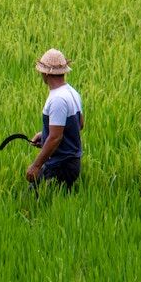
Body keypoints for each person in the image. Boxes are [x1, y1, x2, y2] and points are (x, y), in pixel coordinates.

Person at [25, 49, 84, 190]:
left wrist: (36, 166)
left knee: (33, 203)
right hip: (71, 163)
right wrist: (44, 135)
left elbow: (55, 137)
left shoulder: (57, 99)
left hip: (60, 167)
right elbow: (79, 125)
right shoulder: (72, 92)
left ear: (45, 73)